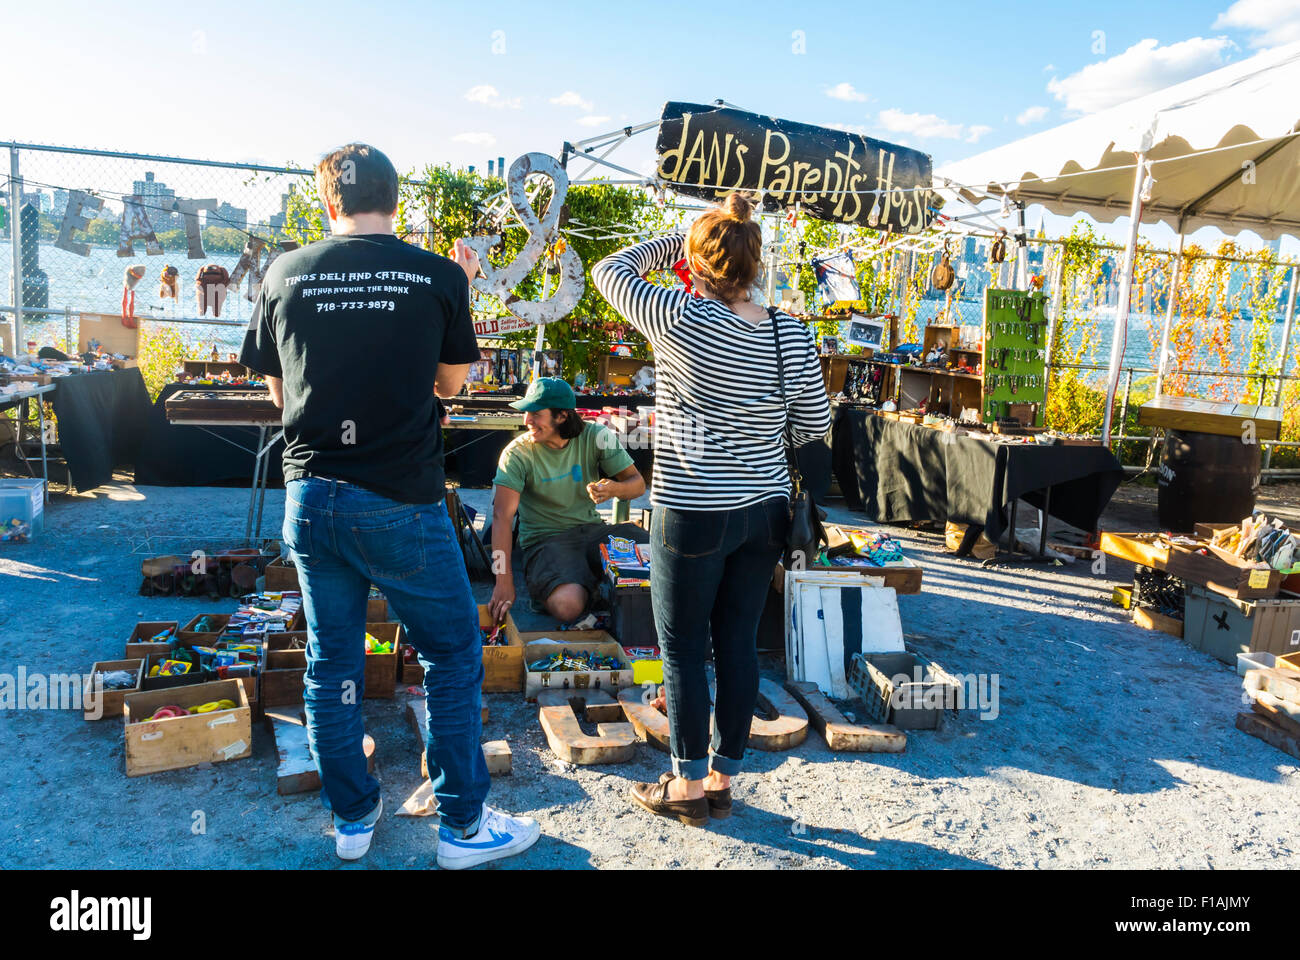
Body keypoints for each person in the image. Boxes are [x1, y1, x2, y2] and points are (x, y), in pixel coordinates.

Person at [239, 142, 539, 869]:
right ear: (394, 200)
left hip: (311, 498)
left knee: (331, 661)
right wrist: (459, 285)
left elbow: (281, 400)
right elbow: (451, 388)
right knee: (452, 653)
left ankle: (352, 818)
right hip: (400, 501)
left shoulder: (285, 272)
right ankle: (463, 828)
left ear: (326, 203)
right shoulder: (435, 275)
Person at [591, 193, 832, 827]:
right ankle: (724, 775)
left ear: (698, 264)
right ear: (757, 265)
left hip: (694, 505)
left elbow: (609, 269)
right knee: (738, 645)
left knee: (682, 650)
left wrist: (683, 240)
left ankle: (688, 787)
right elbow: (813, 425)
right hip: (765, 510)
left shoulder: (677, 315)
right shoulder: (790, 331)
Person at [488, 377, 647, 624]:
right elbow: (501, 518)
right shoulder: (517, 453)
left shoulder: (596, 435)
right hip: (545, 542)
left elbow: (637, 485)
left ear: (561, 417)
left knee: (658, 558)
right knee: (567, 605)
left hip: (593, 532)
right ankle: (580, 587)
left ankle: (596, 586)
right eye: (526, 412)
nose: (526, 420)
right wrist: (503, 581)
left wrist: (614, 488)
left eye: (535, 413)